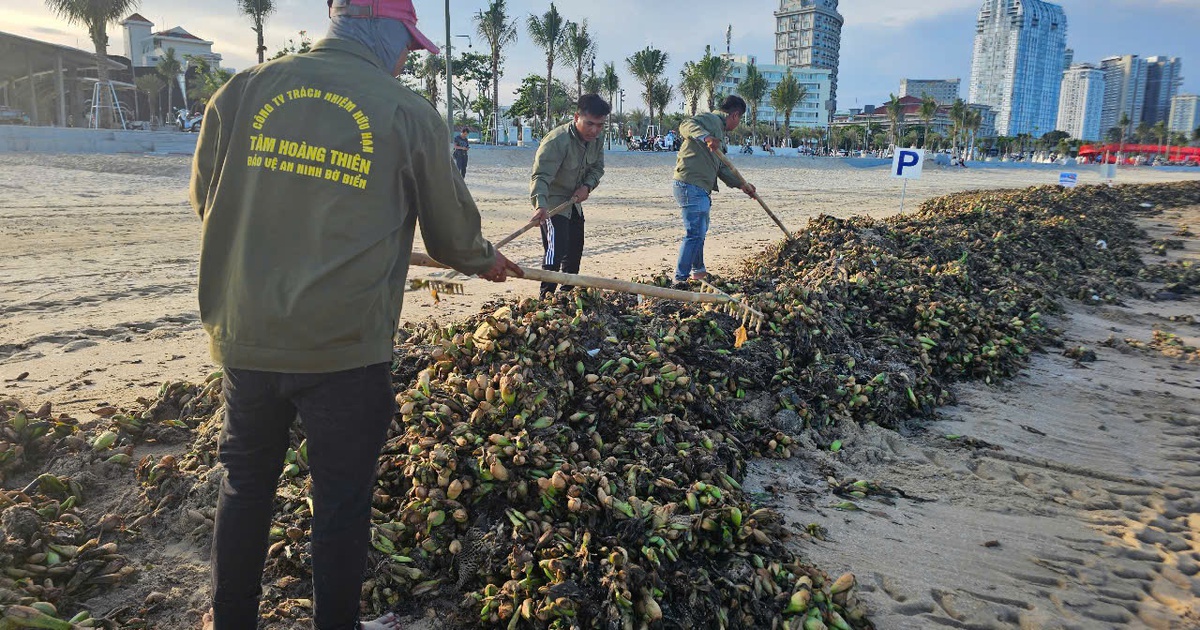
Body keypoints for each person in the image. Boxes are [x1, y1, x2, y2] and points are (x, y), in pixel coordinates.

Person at [188, 1, 521, 628]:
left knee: (245, 485)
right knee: (340, 501)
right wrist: (486, 260)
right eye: (406, 43)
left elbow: (208, 199)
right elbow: (451, 238)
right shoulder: (405, 113)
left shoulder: (242, 92)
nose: (406, 59)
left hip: (247, 336)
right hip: (344, 348)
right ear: (378, 26)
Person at [529, 93, 609, 296]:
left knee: (574, 253)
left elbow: (597, 168)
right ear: (576, 117)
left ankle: (566, 296)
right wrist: (540, 205)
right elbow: (541, 176)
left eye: (600, 125)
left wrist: (587, 187)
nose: (594, 130)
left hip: (575, 202)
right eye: (589, 124)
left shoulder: (597, 139)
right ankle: (546, 297)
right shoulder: (557, 141)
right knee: (555, 252)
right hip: (553, 203)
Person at [671, 95, 756, 286]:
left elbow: (722, 168)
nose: (738, 123)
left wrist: (743, 185)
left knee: (700, 231)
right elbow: (685, 125)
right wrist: (706, 137)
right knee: (694, 233)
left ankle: (698, 272)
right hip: (689, 184)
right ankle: (679, 279)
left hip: (700, 188)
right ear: (735, 115)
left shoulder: (720, 133)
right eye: (740, 119)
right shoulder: (711, 120)